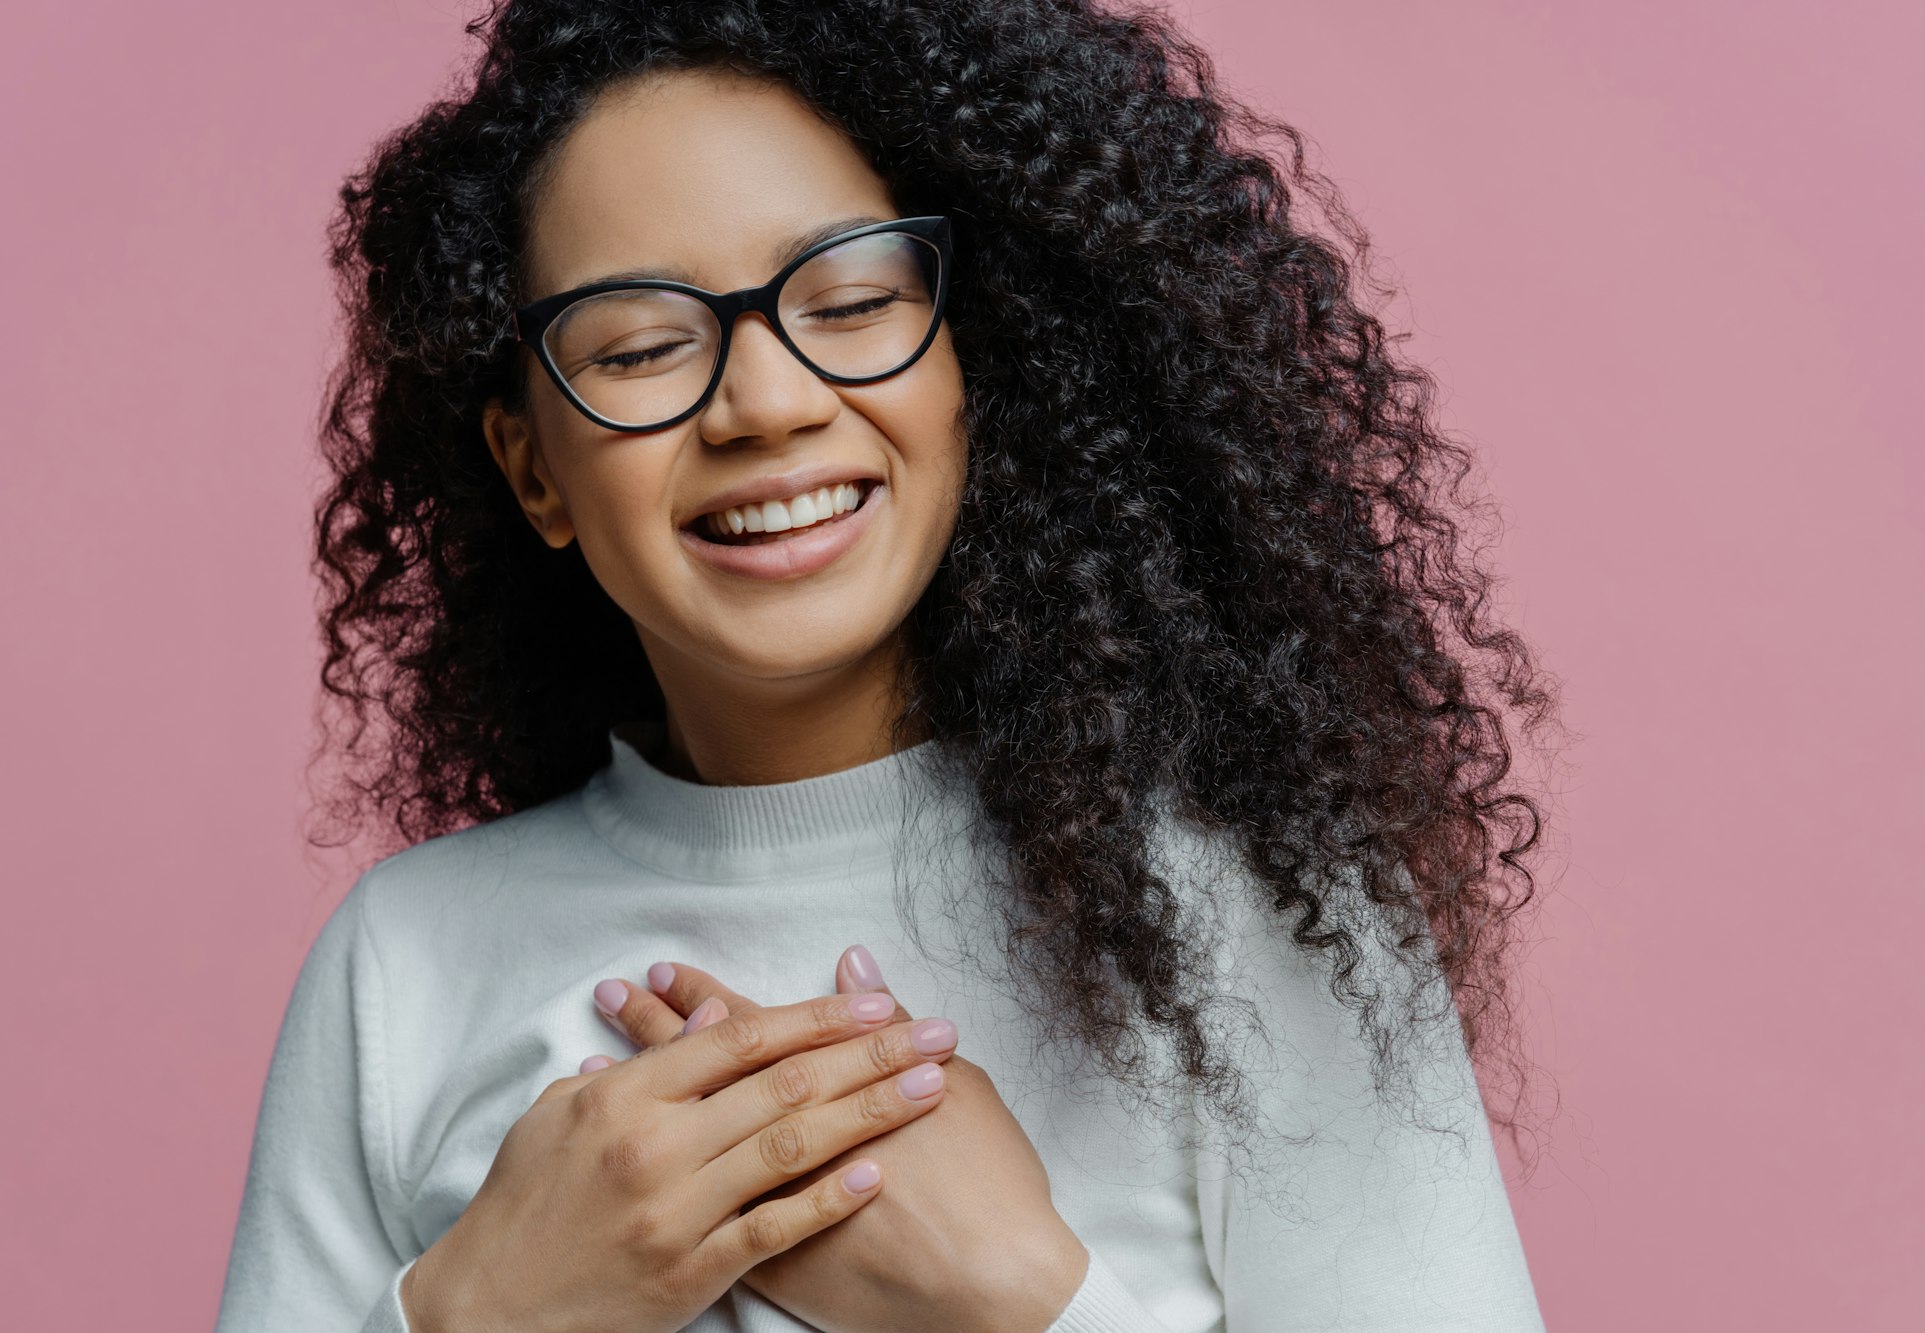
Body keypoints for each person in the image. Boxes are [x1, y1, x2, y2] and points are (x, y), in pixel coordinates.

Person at [215, 1, 1561, 1329]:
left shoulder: (1256, 896)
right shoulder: (400, 965)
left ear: (979, 361)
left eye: (851, 300)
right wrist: (475, 1318)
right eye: (637, 346)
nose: (766, 403)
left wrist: (1022, 1301)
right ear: (534, 468)